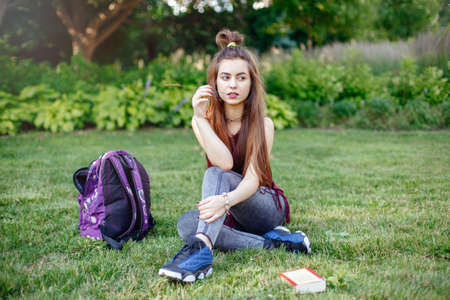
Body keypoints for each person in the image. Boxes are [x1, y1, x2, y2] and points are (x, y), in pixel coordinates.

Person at [158, 29, 311, 283]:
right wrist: (198, 117)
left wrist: (225, 202)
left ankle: (201, 252)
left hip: (263, 207)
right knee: (187, 224)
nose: (232, 85)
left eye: (241, 78)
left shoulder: (264, 125)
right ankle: (273, 243)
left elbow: (250, 179)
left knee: (215, 175)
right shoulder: (202, 122)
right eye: (225, 77)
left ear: (251, 83)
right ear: (214, 82)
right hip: (230, 212)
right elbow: (225, 162)